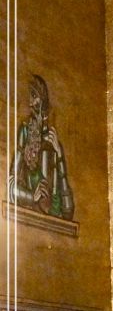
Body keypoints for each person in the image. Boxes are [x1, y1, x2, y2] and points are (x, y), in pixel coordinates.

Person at [8, 75, 74, 219]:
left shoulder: (53, 142)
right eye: (30, 97)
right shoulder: (25, 133)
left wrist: (59, 155)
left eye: (34, 96)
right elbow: (10, 186)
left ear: (43, 101)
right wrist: (32, 196)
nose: (31, 103)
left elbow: (68, 211)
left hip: (55, 223)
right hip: (30, 220)